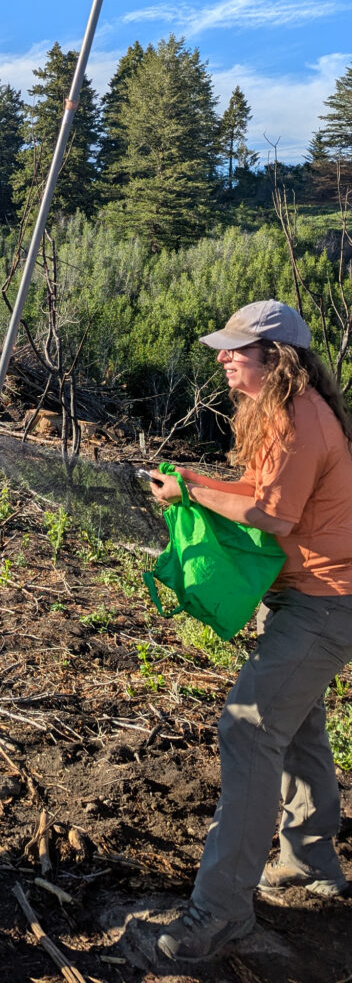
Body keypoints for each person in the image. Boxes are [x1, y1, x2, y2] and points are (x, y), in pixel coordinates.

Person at [148, 300, 352, 962]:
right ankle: (310, 868)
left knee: (249, 725)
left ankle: (221, 915)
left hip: (327, 603)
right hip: (308, 598)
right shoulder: (287, 412)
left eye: (237, 347)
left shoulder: (300, 418)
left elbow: (274, 516)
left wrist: (191, 492)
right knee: (298, 730)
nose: (223, 356)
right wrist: (195, 480)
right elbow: (256, 490)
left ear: (277, 357)